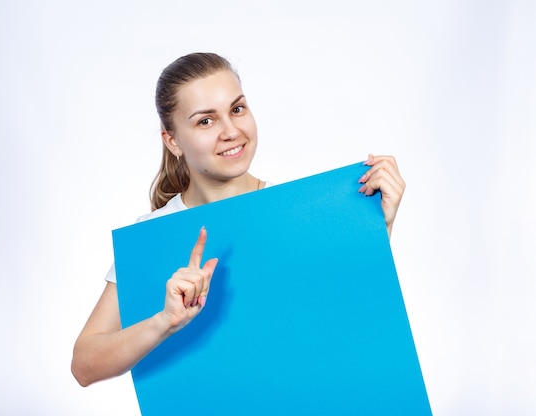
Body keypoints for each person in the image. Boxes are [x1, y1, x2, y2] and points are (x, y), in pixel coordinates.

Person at [71, 52, 405, 387]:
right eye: (206, 120)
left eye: (237, 109)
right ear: (172, 140)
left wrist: (378, 228)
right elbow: (84, 366)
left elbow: (347, 319)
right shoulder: (151, 237)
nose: (231, 131)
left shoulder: (304, 212)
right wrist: (164, 322)